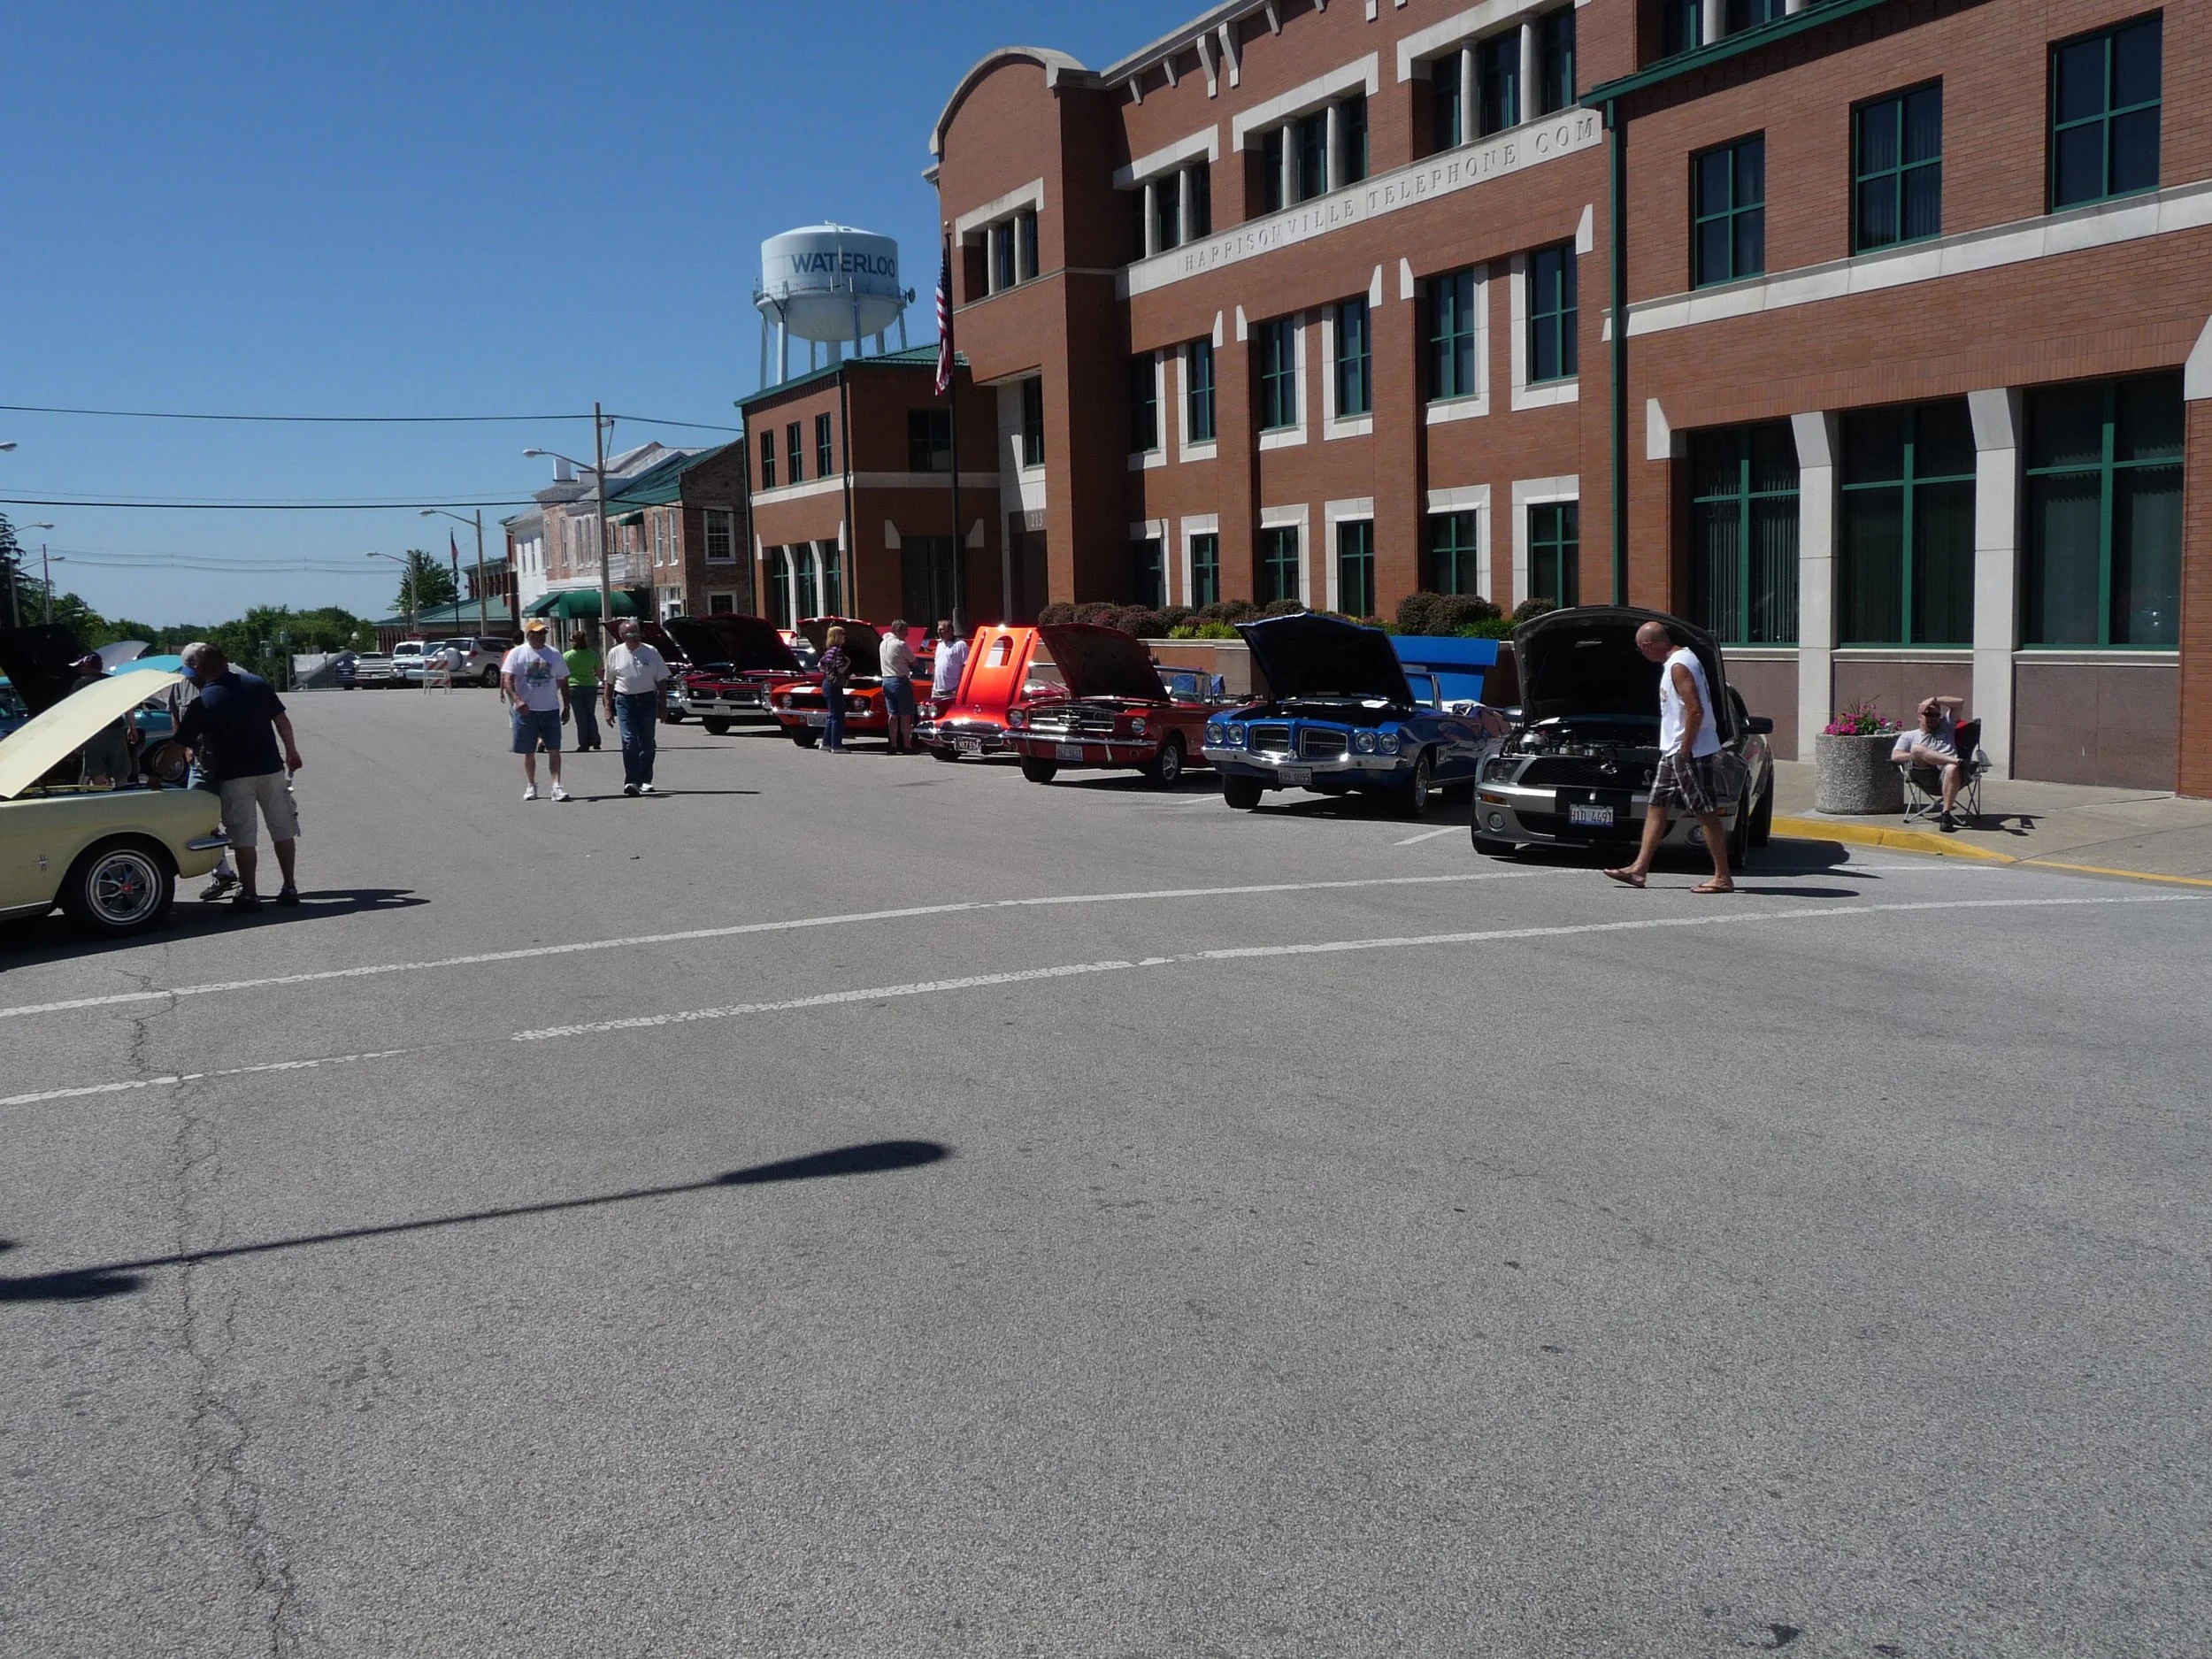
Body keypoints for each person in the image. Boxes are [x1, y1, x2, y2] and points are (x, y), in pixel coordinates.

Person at [1604, 620, 1733, 895]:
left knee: (1705, 810)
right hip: (1674, 749)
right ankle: (1639, 869)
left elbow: (1695, 710)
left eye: (1642, 649)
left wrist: (1686, 749)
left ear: (1648, 645)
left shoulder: (1679, 665)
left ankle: (1722, 876)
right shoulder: (1683, 660)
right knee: (1657, 804)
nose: (1643, 654)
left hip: (1689, 751)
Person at [175, 641, 306, 910]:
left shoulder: (204, 701)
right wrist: (292, 751)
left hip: (234, 776)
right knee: (282, 829)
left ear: (198, 669)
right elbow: (282, 720)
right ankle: (289, 887)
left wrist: (157, 774)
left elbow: (178, 744)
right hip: (271, 769)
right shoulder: (256, 684)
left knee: (243, 837)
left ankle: (250, 894)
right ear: (226, 662)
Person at [501, 619, 571, 802]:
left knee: (554, 748)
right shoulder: (518, 653)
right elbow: (508, 679)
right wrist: (518, 700)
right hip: (526, 710)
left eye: (544, 633)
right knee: (528, 750)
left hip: (550, 709)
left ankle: (557, 786)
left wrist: (566, 706)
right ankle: (531, 785)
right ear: (529, 634)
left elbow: (563, 680)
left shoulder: (554, 654)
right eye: (538, 633)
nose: (542, 636)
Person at [603, 619, 672, 795]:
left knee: (647, 740)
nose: (635, 638)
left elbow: (661, 681)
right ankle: (632, 780)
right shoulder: (615, 653)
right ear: (622, 637)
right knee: (629, 740)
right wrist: (608, 708)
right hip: (625, 701)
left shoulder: (651, 652)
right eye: (631, 635)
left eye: (637, 634)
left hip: (647, 699)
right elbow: (609, 683)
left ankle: (645, 779)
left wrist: (663, 706)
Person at [1893, 694, 1968, 830]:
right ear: (1919, 716)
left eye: (1936, 715)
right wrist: (1918, 756)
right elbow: (1895, 756)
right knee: (1916, 750)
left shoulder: (1947, 725)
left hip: (1950, 775)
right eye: (1928, 713)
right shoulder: (1909, 736)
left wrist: (1933, 700)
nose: (1933, 718)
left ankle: (1946, 814)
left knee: (1951, 768)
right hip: (1925, 775)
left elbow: (1960, 702)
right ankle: (1957, 761)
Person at [66, 654, 134, 787]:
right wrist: (132, 727)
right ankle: (123, 797)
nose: (79, 669)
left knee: (97, 773)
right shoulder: (114, 681)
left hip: (93, 734)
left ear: (87, 665)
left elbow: (73, 711)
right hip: (116, 732)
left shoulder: (80, 684)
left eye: (80, 666)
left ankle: (103, 798)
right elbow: (128, 705)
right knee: (120, 773)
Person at [879, 618, 917, 753]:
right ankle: (907, 745)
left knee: (892, 714)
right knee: (905, 715)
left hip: (886, 681)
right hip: (900, 680)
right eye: (905, 631)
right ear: (898, 630)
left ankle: (893, 745)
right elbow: (914, 661)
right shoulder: (901, 644)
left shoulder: (883, 644)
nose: (907, 634)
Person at [564, 625, 603, 752]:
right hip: (590, 686)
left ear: (573, 641)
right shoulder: (592, 654)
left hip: (574, 687)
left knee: (580, 717)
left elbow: (563, 674)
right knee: (590, 714)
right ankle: (595, 739)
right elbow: (598, 671)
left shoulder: (567, 656)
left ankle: (584, 743)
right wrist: (602, 682)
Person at [818, 625, 852, 754]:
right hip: (834, 685)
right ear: (836, 636)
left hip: (826, 683)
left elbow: (820, 665)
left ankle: (826, 743)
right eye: (842, 634)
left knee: (832, 715)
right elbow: (840, 669)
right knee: (838, 715)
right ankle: (836, 745)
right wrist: (848, 662)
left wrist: (828, 671)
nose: (845, 637)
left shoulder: (828, 651)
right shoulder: (838, 651)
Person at [929, 619, 968, 715]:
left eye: (942, 630)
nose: (939, 632)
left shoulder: (960, 645)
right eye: (938, 630)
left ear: (950, 630)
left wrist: (961, 687)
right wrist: (933, 682)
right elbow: (936, 664)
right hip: (937, 690)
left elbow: (965, 666)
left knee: (951, 715)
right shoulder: (939, 645)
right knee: (935, 715)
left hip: (952, 689)